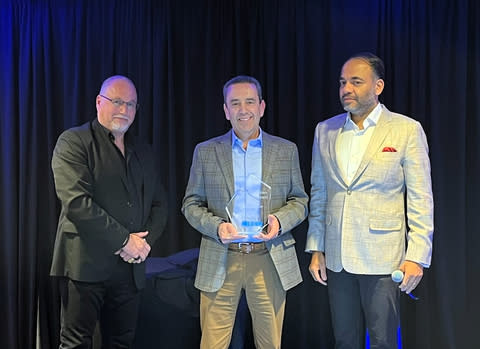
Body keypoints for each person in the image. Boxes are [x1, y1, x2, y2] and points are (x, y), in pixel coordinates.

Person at [305, 52, 434, 348]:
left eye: (355, 82)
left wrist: (417, 255)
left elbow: (421, 198)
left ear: (378, 87)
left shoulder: (405, 129)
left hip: (382, 257)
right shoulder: (325, 130)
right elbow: (320, 192)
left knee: (383, 341)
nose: (346, 89)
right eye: (342, 82)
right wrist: (316, 248)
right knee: (344, 340)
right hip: (337, 258)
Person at [182, 75, 308, 349]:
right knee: (212, 344)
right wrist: (217, 227)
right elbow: (190, 204)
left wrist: (278, 221)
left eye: (249, 102)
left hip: (268, 257)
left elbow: (300, 201)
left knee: (269, 344)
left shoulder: (286, 151)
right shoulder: (205, 152)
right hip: (222, 256)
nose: (243, 109)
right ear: (226, 110)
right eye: (235, 103)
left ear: (262, 107)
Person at [50, 75, 168, 348]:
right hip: (84, 266)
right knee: (76, 343)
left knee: (122, 343)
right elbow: (77, 203)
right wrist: (125, 241)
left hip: (130, 269)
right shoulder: (73, 142)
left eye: (130, 104)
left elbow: (160, 204)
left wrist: (142, 244)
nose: (124, 110)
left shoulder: (143, 151)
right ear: (98, 102)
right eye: (116, 102)